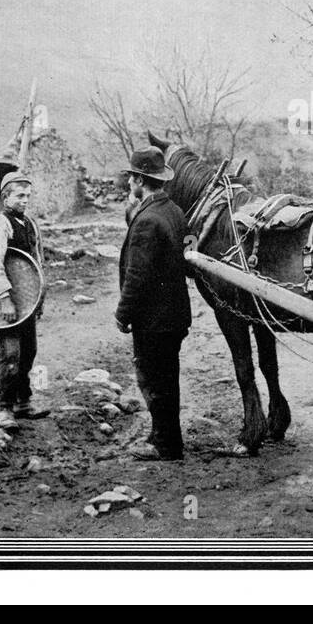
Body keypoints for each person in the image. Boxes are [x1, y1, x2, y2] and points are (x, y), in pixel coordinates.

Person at [115, 147, 192, 460]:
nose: (130, 184)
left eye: (132, 178)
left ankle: (167, 445)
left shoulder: (147, 220)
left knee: (151, 378)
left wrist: (123, 313)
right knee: (167, 377)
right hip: (174, 315)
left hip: (154, 318)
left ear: (139, 180)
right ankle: (165, 435)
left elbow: (138, 276)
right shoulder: (174, 210)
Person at [0, 170, 50, 432]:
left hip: (28, 303)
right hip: (9, 304)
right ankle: (5, 408)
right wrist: (4, 299)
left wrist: (40, 299)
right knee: (11, 354)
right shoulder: (0, 225)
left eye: (28, 196)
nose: (24, 200)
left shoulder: (30, 224)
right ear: (5, 197)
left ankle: (24, 402)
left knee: (29, 352)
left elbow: (37, 263)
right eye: (19, 196)